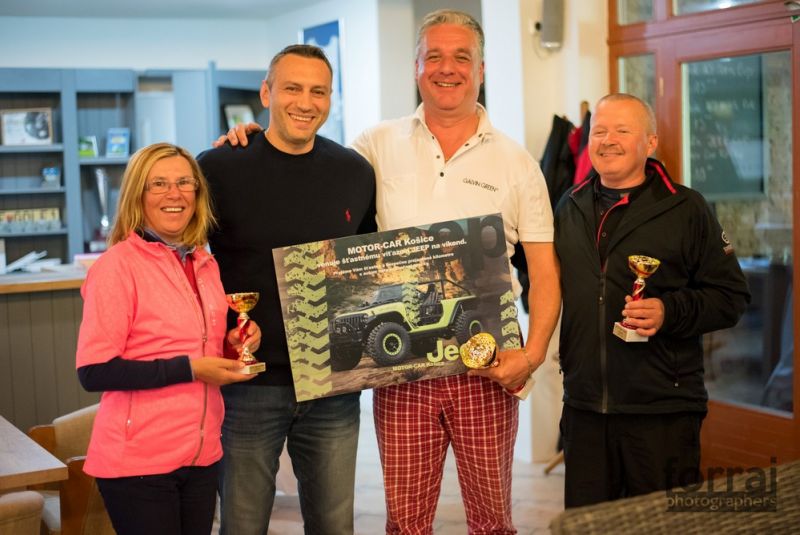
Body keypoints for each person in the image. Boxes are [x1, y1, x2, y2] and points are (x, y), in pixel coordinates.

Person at [217, 13, 560, 532]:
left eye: (461, 57)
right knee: (404, 523)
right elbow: (303, 162)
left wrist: (531, 356)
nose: (447, 69)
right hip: (401, 373)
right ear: (416, 66)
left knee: (494, 521)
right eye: (433, 57)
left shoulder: (517, 162)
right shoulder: (373, 147)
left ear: (481, 69)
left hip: (487, 369)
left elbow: (545, 271)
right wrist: (251, 139)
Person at [198, 44, 376, 535]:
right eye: (292, 88)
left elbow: (368, 267)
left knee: (335, 525)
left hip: (332, 381)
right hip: (248, 382)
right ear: (266, 93)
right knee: (242, 524)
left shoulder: (355, 171)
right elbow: (187, 262)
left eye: (319, 91)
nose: (306, 102)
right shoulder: (218, 167)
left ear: (331, 98)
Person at [553, 93, 751, 508]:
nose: (608, 140)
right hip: (585, 409)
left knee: (663, 525)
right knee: (589, 528)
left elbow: (731, 296)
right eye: (599, 131)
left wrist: (668, 311)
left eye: (622, 130)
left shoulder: (686, 207)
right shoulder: (569, 206)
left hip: (662, 410)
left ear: (651, 142)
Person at [75, 142, 261, 535]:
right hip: (138, 465)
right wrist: (191, 369)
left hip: (201, 456)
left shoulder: (204, 263)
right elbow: (94, 371)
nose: (174, 194)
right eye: (158, 184)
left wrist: (234, 345)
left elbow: (198, 347)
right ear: (137, 195)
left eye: (184, 183)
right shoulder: (116, 267)